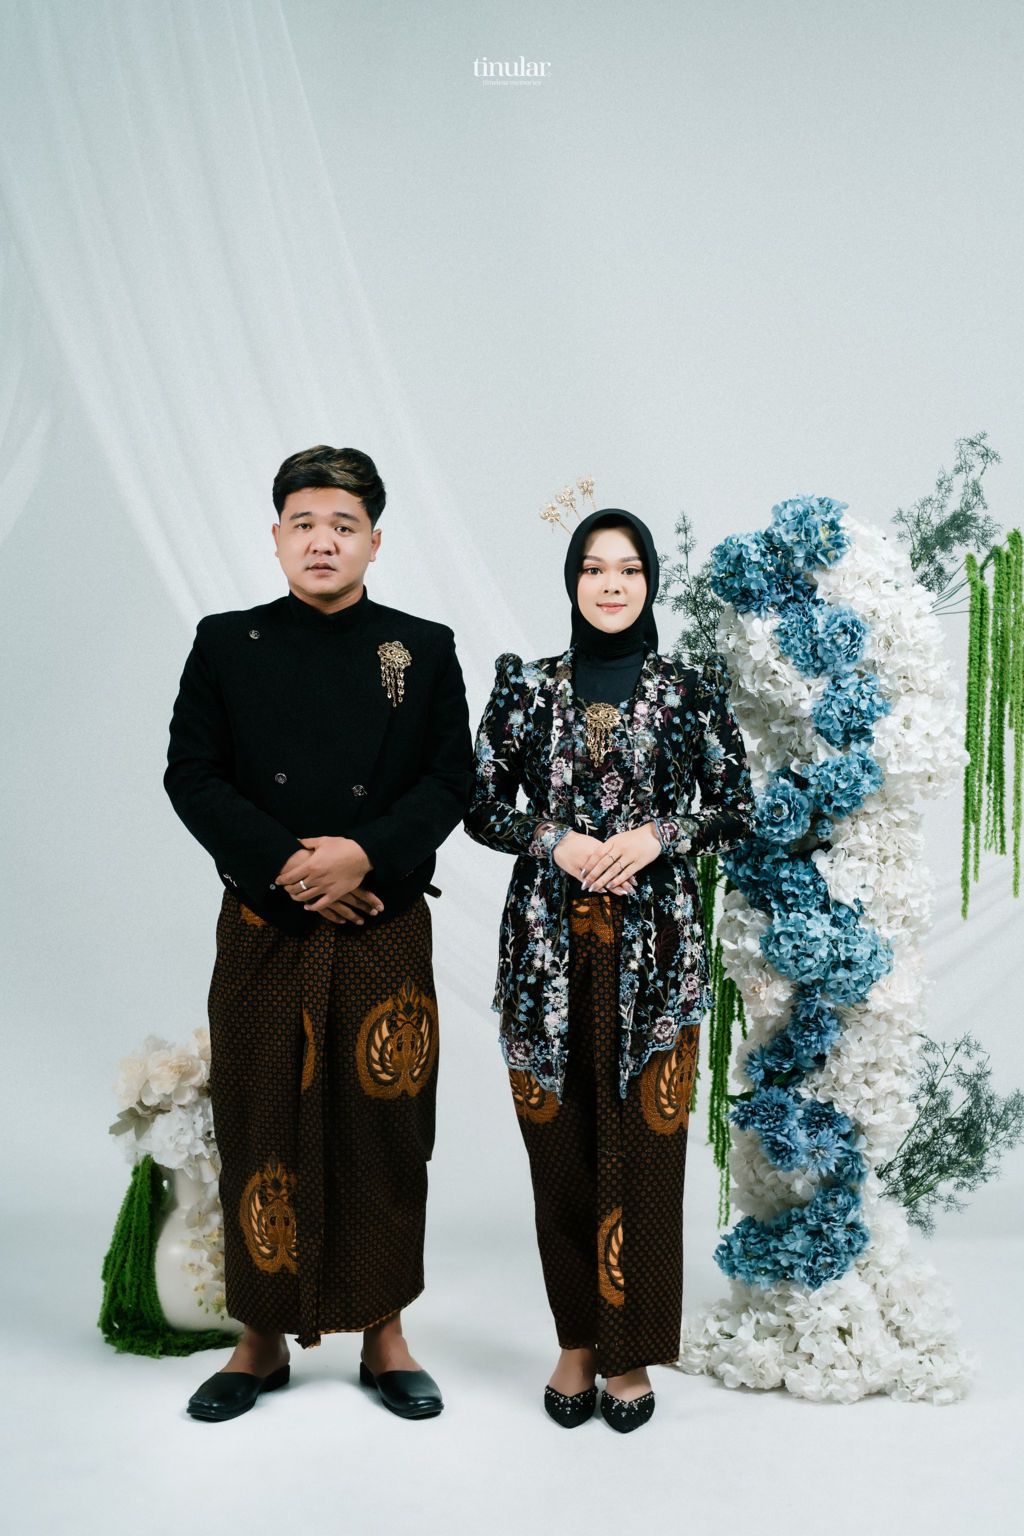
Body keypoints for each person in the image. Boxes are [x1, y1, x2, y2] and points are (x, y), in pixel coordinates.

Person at [165, 445, 472, 1422]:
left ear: (375, 541)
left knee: (387, 1128)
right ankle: (259, 1339)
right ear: (276, 538)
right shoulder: (227, 643)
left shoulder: (423, 647)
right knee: (257, 1118)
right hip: (266, 925)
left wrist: (364, 856)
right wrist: (294, 868)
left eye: (343, 525)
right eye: (304, 523)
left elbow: (451, 781)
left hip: (383, 925)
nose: (323, 541)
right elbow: (192, 775)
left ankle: (385, 1333)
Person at [465, 507, 752, 1432]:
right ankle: (577, 1341)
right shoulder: (526, 687)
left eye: (628, 568)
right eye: (594, 568)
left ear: (650, 581)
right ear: (572, 582)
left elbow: (736, 803)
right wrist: (554, 839)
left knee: (647, 1148)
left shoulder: (689, 689)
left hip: (657, 951)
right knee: (559, 1145)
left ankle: (629, 1349)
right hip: (545, 949)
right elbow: (478, 802)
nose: (612, 583)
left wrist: (660, 834)